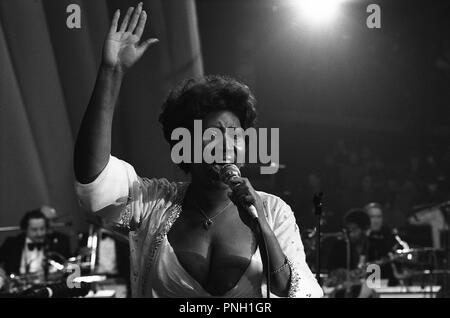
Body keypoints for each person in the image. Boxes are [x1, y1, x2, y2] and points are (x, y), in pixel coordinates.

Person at [73, 3, 322, 298]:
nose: (227, 145)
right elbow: (94, 182)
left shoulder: (274, 211)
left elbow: (296, 292)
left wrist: (261, 225)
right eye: (213, 135)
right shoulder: (153, 205)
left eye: (236, 135)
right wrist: (111, 73)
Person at [0, 209, 71, 278]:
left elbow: (67, 264)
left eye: (42, 229)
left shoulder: (55, 243)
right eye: (34, 230)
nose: (39, 233)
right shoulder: (11, 243)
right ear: (25, 229)